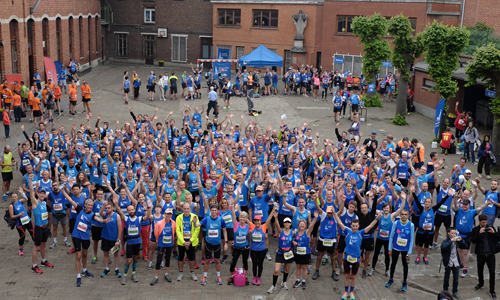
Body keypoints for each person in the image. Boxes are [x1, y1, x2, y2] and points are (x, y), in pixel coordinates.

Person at [332, 195, 382, 300]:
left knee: (354, 276)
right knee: (346, 276)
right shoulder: (347, 231)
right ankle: (346, 291)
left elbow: (369, 227)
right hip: (347, 258)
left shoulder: (360, 233)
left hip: (356, 259)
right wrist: (334, 214)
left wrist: (377, 218)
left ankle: (352, 292)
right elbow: (340, 222)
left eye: (356, 226)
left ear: (358, 226)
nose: (354, 228)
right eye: (353, 226)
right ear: (351, 226)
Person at [61, 189, 108, 287]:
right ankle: (78, 276)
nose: (90, 207)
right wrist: (63, 191)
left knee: (85, 254)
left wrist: (104, 221)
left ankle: (84, 270)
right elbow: (70, 200)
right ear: (85, 205)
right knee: (78, 255)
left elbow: (97, 218)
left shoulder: (92, 214)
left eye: (91, 205)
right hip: (77, 236)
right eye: (89, 205)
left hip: (86, 237)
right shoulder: (79, 209)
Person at [115, 193, 152, 285]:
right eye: (129, 210)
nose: (131, 211)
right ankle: (124, 275)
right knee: (128, 260)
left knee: (135, 259)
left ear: (134, 210)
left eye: (132, 209)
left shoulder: (139, 219)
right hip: (130, 243)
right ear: (127, 211)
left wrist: (149, 207)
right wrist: (115, 204)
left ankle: (134, 274)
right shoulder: (126, 219)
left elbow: (148, 217)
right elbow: (120, 211)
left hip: (137, 242)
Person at [193, 204, 227, 285]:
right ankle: (204, 276)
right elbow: (197, 226)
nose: (214, 212)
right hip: (208, 243)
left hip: (217, 243)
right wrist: (194, 223)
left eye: (215, 210)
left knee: (217, 260)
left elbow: (225, 231)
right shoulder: (206, 219)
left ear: (217, 211)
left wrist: (225, 243)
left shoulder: (221, 219)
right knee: (207, 260)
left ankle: (218, 276)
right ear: (210, 211)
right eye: (212, 210)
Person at [28, 174, 54, 274]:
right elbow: (31, 191)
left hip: (45, 228)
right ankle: (34, 266)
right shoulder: (35, 202)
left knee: (44, 245)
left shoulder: (44, 203)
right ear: (37, 194)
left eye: (44, 194)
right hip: (38, 228)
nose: (42, 195)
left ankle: (43, 261)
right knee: (37, 247)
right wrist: (30, 180)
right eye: (40, 193)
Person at [471, 214, 500, 299]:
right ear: (479, 221)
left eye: (486, 222)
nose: (485, 224)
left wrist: (494, 233)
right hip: (481, 254)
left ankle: (492, 290)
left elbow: (499, 238)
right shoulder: (475, 229)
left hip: (490, 254)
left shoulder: (490, 228)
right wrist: (479, 233)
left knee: (492, 272)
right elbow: (473, 241)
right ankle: (481, 283)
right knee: (480, 270)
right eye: (483, 222)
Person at [385, 208, 414, 292]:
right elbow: (391, 236)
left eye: (405, 214)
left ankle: (404, 282)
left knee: (405, 265)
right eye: (402, 214)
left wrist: (409, 252)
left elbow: (412, 239)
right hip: (395, 248)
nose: (404, 216)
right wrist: (389, 248)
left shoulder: (411, 225)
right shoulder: (396, 223)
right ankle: (391, 279)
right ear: (400, 215)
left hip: (405, 249)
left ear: (408, 215)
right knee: (393, 263)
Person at [249, 207, 276, 286]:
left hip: (262, 250)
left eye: (258, 221)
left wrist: (273, 209)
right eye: (256, 221)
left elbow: (270, 217)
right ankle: (254, 277)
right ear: (254, 221)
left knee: (260, 264)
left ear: (261, 221)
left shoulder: (264, 227)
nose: (257, 222)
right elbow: (244, 218)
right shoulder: (252, 226)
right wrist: (238, 209)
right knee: (254, 264)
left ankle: (259, 277)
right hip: (253, 250)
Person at [291, 213, 318, 290]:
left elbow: (312, 226)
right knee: (298, 267)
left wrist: (315, 218)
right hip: (298, 253)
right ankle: (298, 280)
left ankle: (303, 281)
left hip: (306, 253)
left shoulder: (307, 232)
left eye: (303, 224)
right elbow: (290, 238)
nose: (302, 226)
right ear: (298, 225)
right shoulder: (295, 233)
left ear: (305, 226)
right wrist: (293, 242)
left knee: (305, 267)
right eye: (300, 224)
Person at [267, 211, 292, 293]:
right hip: (280, 253)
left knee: (287, 269)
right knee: (276, 270)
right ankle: (273, 286)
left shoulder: (293, 232)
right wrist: (276, 218)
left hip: (289, 254)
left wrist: (295, 242)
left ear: (291, 223)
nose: (287, 223)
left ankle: (284, 282)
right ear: (284, 223)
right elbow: (277, 226)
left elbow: (298, 236)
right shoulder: (280, 231)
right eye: (285, 222)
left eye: (288, 222)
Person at [175, 202, 200, 282]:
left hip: (191, 242)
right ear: (182, 209)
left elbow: (197, 230)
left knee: (191, 258)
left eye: (187, 209)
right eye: (184, 209)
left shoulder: (194, 217)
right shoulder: (179, 218)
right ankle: (180, 272)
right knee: (181, 258)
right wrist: (183, 242)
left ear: (190, 209)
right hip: (181, 242)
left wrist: (190, 241)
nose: (186, 210)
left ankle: (192, 272)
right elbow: (177, 230)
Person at [151, 208, 176, 285]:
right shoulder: (159, 223)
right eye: (167, 214)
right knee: (159, 260)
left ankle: (166, 274)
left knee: (167, 259)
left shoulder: (173, 223)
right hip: (161, 244)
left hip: (169, 244)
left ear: (171, 215)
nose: (168, 215)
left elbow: (174, 232)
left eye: (170, 214)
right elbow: (156, 233)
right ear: (164, 214)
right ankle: (156, 277)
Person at [441, 227, 467, 300]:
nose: (453, 235)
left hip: (455, 261)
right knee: (447, 277)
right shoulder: (446, 240)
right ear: (448, 233)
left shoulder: (457, 241)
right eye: (452, 233)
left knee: (456, 278)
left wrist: (461, 240)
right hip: (448, 261)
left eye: (454, 233)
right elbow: (443, 247)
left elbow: (465, 246)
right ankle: (445, 290)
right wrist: (450, 241)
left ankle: (455, 291)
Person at [100, 198, 123, 278]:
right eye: (106, 208)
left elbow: (120, 228)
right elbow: (100, 213)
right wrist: (103, 206)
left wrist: (118, 240)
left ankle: (116, 269)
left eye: (109, 208)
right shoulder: (104, 214)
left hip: (114, 239)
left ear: (112, 207)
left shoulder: (117, 216)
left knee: (116, 254)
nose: (107, 209)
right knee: (105, 253)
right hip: (105, 238)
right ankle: (107, 268)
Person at [9, 187, 35, 256]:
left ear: (17, 197)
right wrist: (19, 215)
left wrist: (22, 193)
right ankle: (21, 249)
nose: (14, 198)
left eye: (15, 197)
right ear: (11, 198)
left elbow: (26, 199)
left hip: (27, 220)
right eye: (13, 197)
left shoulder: (20, 201)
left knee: (33, 233)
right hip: (20, 223)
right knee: (22, 236)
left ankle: (37, 246)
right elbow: (12, 216)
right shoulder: (11, 206)